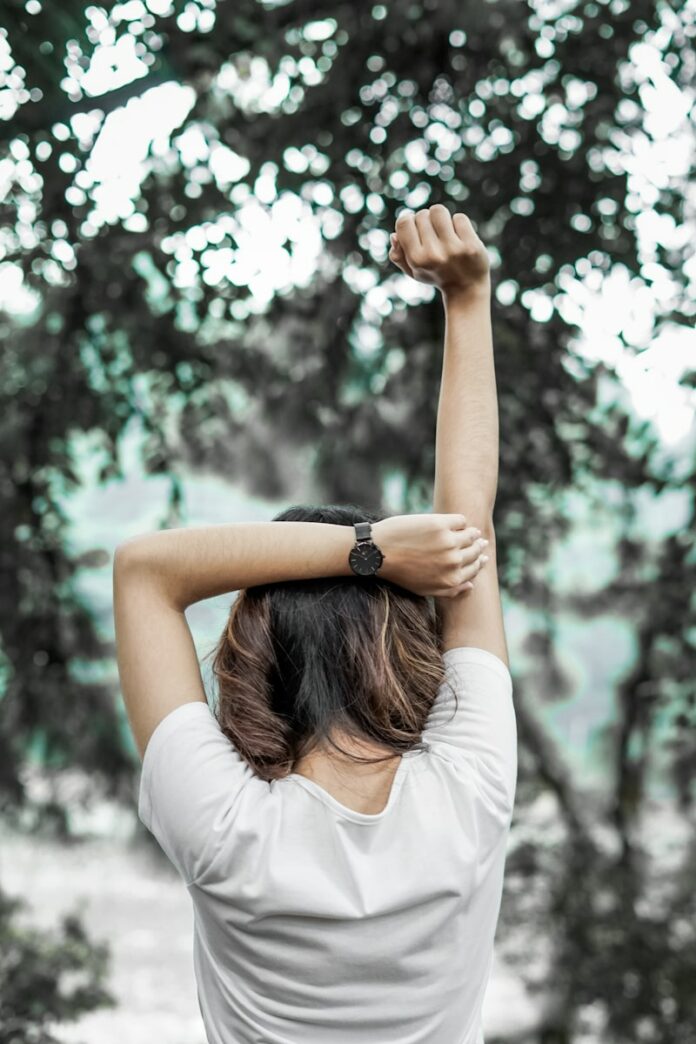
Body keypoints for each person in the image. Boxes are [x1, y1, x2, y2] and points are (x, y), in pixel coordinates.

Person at [113, 204, 517, 1044]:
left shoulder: (223, 825)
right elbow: (466, 526)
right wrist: (468, 297)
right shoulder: (466, 791)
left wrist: (366, 550)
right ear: (407, 646)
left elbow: (145, 571)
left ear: (252, 655)